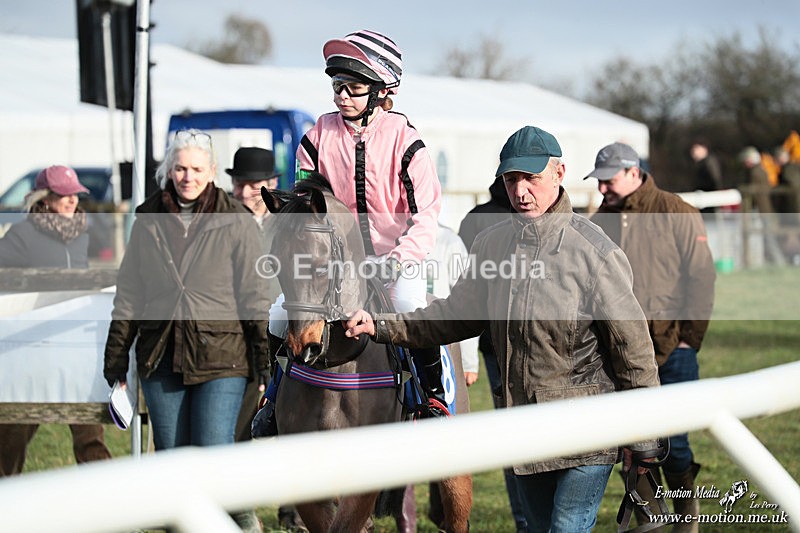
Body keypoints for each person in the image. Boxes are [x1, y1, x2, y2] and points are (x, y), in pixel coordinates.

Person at [345, 125, 661, 532]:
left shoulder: (594, 251)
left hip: (587, 430)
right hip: (522, 428)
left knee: (567, 528)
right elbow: (455, 314)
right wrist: (381, 324)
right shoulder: (492, 244)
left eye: (531, 177)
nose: (521, 191)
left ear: (559, 173)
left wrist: (647, 436)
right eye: (511, 180)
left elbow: (632, 347)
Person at [103, 130, 270, 533]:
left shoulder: (237, 220)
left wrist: (262, 363)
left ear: (212, 172)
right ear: (169, 170)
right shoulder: (148, 219)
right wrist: (115, 357)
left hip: (223, 357)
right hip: (161, 355)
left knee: (213, 455)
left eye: (196, 168)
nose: (188, 176)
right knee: (172, 463)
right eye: (180, 168)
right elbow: (129, 292)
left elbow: (253, 296)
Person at [278, 29, 444, 407]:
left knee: (410, 311)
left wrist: (398, 263)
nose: (341, 95)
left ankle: (433, 399)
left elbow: (427, 214)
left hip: (398, 261)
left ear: (383, 91)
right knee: (277, 317)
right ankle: (274, 401)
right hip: (333, 264)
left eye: (353, 87)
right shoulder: (316, 137)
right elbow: (305, 203)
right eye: (337, 85)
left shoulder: (406, 142)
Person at [585, 142, 716, 531]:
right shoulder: (597, 222)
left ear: (632, 172)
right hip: (618, 354)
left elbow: (701, 278)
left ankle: (687, 516)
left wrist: (689, 339)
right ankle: (650, 521)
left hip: (672, 351)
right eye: (599, 182)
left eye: (608, 181)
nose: (602, 189)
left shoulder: (678, 212)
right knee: (633, 446)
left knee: (674, 447)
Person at [0, 165, 113, 477]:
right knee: (13, 434)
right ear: (44, 198)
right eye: (62, 194)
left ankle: (109, 501)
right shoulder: (22, 235)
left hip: (72, 347)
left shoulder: (82, 233)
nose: (71, 200)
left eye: (75, 193)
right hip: (30, 352)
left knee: (90, 434)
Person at [226, 146, 305, 532]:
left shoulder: (287, 220)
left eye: (253, 185)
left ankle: (295, 509)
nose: (244, 193)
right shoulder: (223, 220)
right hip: (239, 336)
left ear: (271, 184)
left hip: (284, 327)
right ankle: (242, 509)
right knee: (241, 425)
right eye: (239, 184)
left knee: (295, 423)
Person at [457, 176, 528, 533]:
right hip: (525, 342)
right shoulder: (528, 218)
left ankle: (524, 520)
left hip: (490, 341)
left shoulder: (475, 218)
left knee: (510, 434)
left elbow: (464, 281)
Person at [740, 146, 787, 265]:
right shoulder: (761, 170)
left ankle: (778, 261)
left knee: (769, 237)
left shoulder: (755, 172)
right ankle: (776, 261)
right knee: (769, 236)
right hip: (766, 209)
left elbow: (755, 192)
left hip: (763, 209)